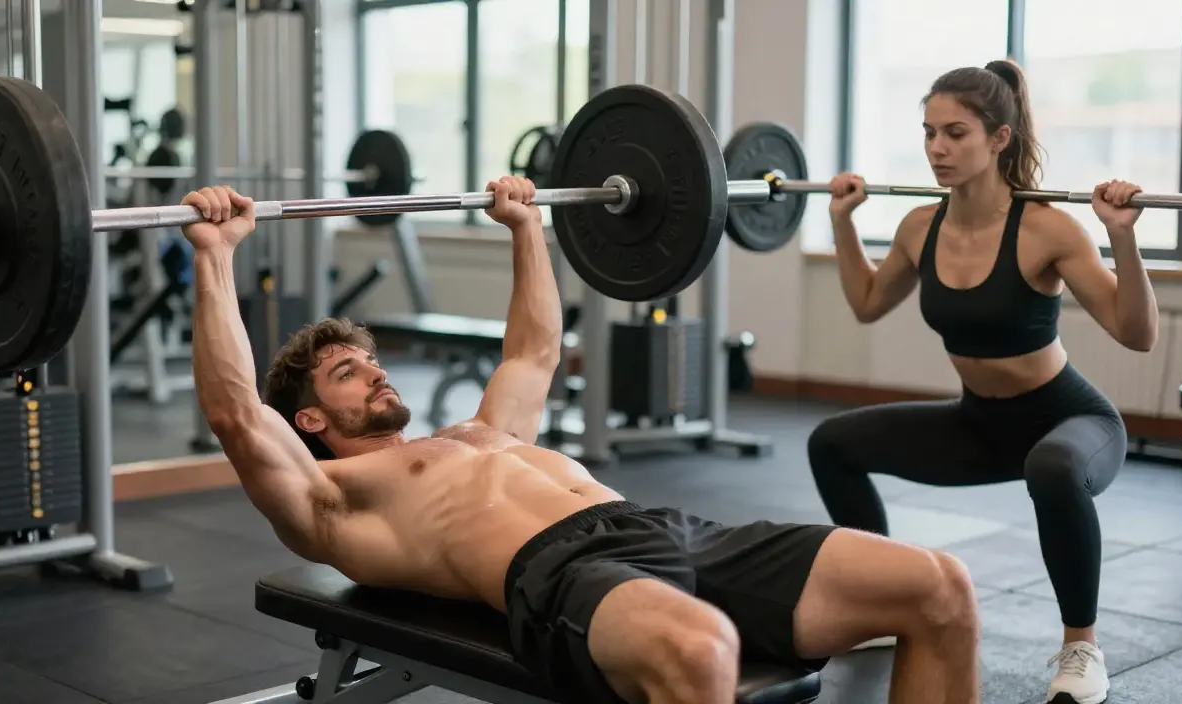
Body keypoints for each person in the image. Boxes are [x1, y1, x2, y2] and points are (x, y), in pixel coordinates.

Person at [183, 177, 983, 704]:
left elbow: (531, 353)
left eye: (373, 361)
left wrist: (527, 227)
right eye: (348, 374)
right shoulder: (336, 501)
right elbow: (237, 416)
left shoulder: (477, 432)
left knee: (938, 586)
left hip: (666, 530)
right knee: (702, 652)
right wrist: (216, 258)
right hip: (564, 574)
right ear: (311, 421)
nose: (376, 375)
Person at [809, 59, 1157, 704]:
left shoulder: (1048, 228)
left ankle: (1081, 647)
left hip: (1067, 423)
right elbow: (866, 303)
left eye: (956, 133)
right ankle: (888, 606)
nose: (937, 149)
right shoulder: (920, 227)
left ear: (999, 139)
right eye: (929, 132)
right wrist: (841, 223)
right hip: (979, 424)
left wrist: (1122, 241)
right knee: (832, 443)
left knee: (1052, 467)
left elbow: (1137, 334)